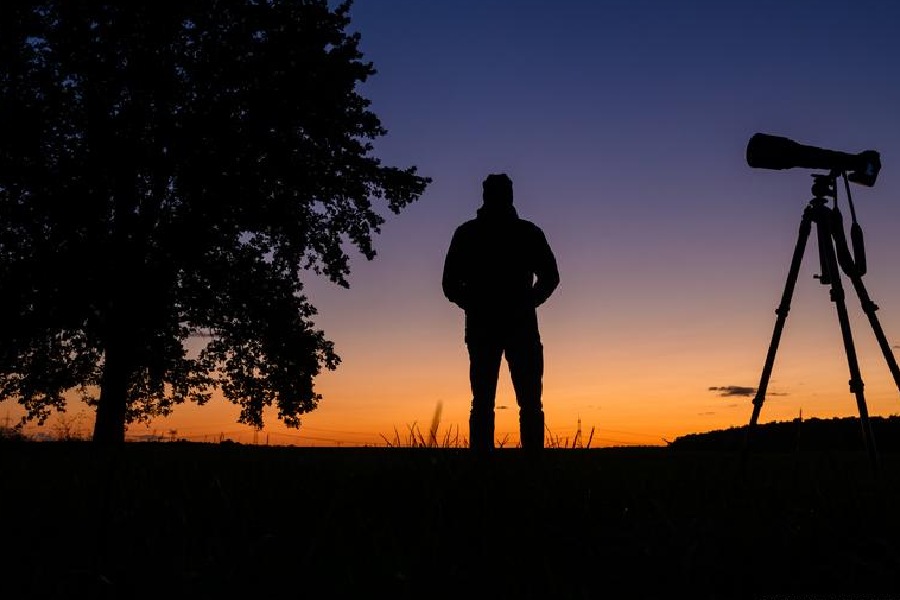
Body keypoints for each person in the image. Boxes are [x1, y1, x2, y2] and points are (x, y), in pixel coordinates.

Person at [442, 173, 560, 452]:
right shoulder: (474, 233)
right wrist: (476, 304)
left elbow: (550, 277)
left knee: (517, 401)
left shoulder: (518, 233)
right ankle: (509, 469)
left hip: (511, 325)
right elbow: (449, 284)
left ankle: (514, 469)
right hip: (498, 325)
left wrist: (526, 303)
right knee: (493, 401)